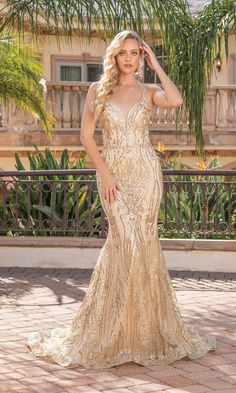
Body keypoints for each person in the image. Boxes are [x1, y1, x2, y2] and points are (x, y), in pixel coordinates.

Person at [27, 30, 216, 369]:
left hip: (145, 173)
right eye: (123, 52)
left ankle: (144, 331)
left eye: (135, 53)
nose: (128, 58)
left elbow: (176, 100)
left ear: (140, 57)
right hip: (112, 172)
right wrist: (104, 172)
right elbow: (86, 135)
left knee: (143, 242)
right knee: (123, 241)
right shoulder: (97, 90)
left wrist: (157, 65)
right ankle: (112, 328)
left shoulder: (148, 91)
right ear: (113, 56)